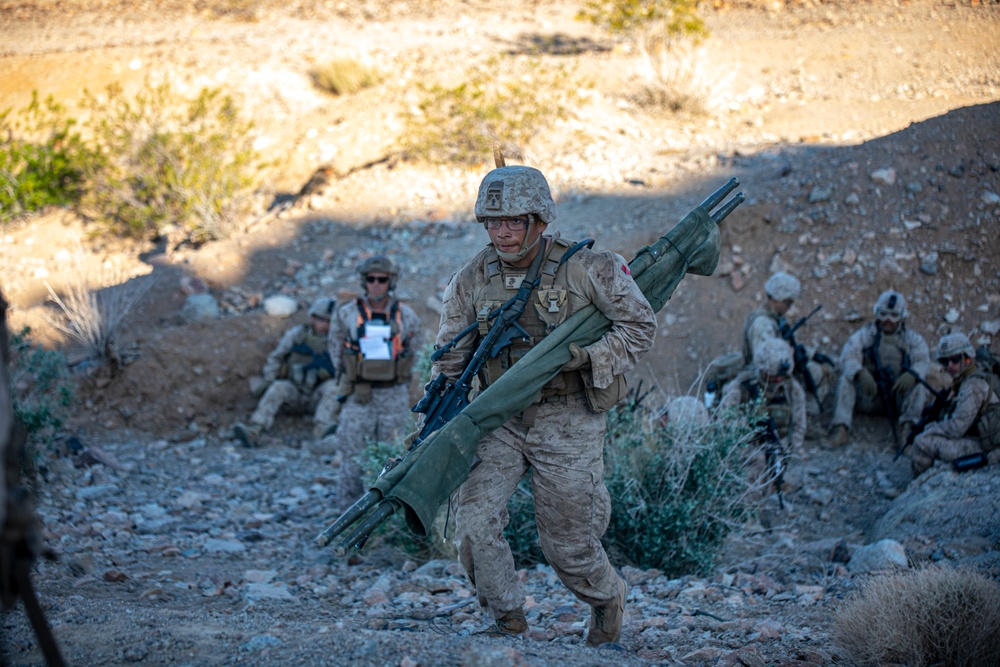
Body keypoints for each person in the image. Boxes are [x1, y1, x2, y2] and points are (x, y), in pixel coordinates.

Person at [432, 165, 656, 647]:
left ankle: (605, 599)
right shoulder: (471, 277)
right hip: (499, 418)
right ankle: (507, 616)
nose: (502, 232)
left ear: (539, 220)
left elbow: (639, 326)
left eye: (514, 221)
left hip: (568, 417)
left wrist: (591, 357)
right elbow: (450, 353)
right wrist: (435, 413)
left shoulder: (587, 267)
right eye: (493, 222)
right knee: (474, 521)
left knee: (568, 543)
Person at [326, 255, 423, 509]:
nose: (376, 284)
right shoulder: (346, 314)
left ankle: (386, 518)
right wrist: (351, 377)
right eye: (371, 279)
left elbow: (417, 352)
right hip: (359, 395)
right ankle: (347, 515)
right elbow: (336, 351)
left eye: (382, 279)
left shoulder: (406, 316)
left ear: (391, 281)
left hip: (394, 395)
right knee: (353, 456)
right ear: (364, 281)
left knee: (393, 454)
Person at [827, 290, 930, 448]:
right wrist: (859, 373)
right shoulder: (866, 334)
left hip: (897, 398)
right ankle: (840, 428)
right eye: (883, 314)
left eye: (894, 316)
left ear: (902, 316)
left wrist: (912, 374)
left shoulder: (912, 339)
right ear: (877, 313)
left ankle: (908, 431)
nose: (887, 320)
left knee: (920, 385)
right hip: (870, 395)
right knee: (846, 379)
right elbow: (848, 356)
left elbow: (922, 360)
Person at [233, 297, 340, 447]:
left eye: (329, 321)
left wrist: (331, 373)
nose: (324, 325)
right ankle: (254, 429)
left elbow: (346, 368)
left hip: (317, 396)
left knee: (334, 387)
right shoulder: (297, 335)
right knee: (278, 387)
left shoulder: (338, 341)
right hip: (294, 392)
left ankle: (322, 429)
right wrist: (270, 379)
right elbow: (276, 357)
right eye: (321, 320)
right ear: (313, 318)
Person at [741, 271, 833, 431]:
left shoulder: (773, 318)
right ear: (780, 300)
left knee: (818, 368)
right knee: (815, 374)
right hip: (766, 374)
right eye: (788, 303)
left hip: (776, 366)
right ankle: (804, 421)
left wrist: (813, 354)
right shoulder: (763, 325)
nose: (790, 307)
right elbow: (764, 360)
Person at [718, 338, 807, 496]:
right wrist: (750, 435)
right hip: (744, 446)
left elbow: (799, 426)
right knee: (756, 465)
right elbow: (725, 421)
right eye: (773, 376)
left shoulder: (792, 389)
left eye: (782, 375)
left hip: (778, 446)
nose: (778, 380)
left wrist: (783, 450)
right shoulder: (740, 387)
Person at [910, 333, 1000, 477]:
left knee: (922, 443)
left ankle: (916, 485)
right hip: (983, 438)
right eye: (944, 361)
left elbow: (956, 429)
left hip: (985, 446)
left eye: (955, 359)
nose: (949, 365)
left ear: (967, 357)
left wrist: (930, 428)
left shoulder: (973, 385)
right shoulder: (977, 372)